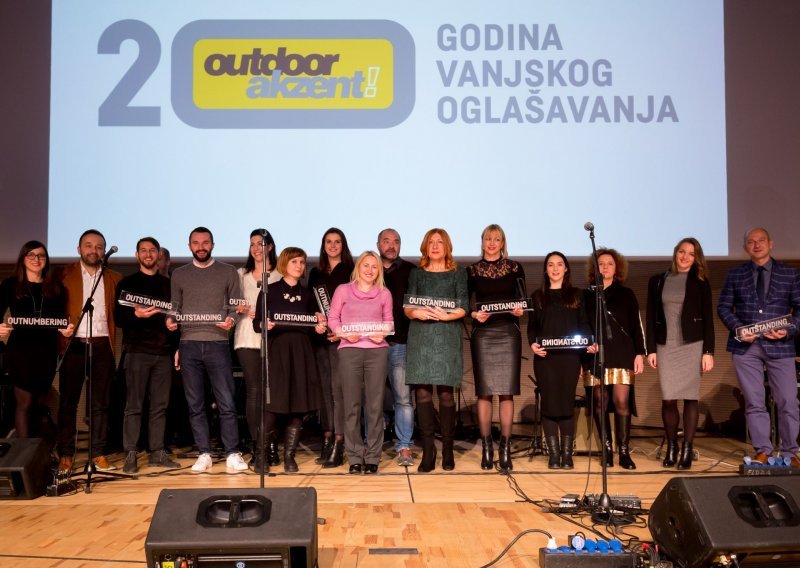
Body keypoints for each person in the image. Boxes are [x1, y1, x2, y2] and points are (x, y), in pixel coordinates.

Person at [166, 227, 247, 473]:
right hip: (189, 344)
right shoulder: (179, 274)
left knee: (226, 402)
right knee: (195, 404)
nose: (200, 247)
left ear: (212, 244)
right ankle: (204, 453)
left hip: (218, 344)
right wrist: (170, 320)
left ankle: (232, 452)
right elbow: (174, 307)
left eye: (205, 242)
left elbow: (235, 306)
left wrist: (231, 320)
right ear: (189, 246)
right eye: (196, 243)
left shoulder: (228, 271)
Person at [718, 227, 800, 468]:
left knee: (788, 401)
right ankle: (763, 450)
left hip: (781, 347)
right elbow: (723, 307)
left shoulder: (790, 273)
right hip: (746, 349)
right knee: (754, 401)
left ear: (770, 243)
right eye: (751, 242)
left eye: (761, 240)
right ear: (745, 247)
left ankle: (790, 452)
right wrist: (739, 329)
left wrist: (789, 330)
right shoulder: (735, 274)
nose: (756, 245)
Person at [253, 247, 327, 472]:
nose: (299, 266)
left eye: (302, 262)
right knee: (272, 405)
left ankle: (289, 457)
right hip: (278, 352)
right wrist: (264, 324)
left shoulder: (308, 293)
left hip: (302, 352)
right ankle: (260, 456)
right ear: (285, 263)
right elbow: (257, 323)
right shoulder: (270, 291)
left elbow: (316, 325)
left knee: (298, 405)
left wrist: (319, 326)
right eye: (294, 261)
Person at [57, 229, 122, 474]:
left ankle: (98, 454)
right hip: (73, 344)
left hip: (102, 344)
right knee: (68, 403)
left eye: (98, 247)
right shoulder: (63, 274)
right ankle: (66, 455)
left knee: (100, 404)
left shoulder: (115, 278)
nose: (93, 250)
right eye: (88, 245)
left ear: (104, 251)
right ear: (79, 249)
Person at [646, 237, 714, 470]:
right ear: (675, 253)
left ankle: (687, 449)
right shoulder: (657, 280)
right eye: (682, 252)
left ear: (697, 258)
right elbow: (650, 317)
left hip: (692, 344)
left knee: (690, 397)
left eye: (691, 254)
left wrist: (708, 351)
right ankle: (672, 446)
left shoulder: (700, 282)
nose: (685, 257)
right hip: (666, 345)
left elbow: (708, 319)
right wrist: (651, 349)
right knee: (668, 398)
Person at [404, 228, 468, 472]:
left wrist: (447, 316)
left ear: (447, 246)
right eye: (431, 242)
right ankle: (428, 451)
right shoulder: (416, 273)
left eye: (439, 242)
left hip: (447, 335)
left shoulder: (458, 273)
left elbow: (464, 305)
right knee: (422, 395)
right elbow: (407, 306)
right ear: (425, 246)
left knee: (446, 395)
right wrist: (415, 313)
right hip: (421, 336)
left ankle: (448, 449)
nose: (435, 246)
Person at [115, 237, 180, 474]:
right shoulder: (127, 283)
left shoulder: (169, 285)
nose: (148, 254)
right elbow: (118, 318)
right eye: (143, 250)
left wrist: (173, 326)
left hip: (163, 353)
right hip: (136, 352)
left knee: (160, 407)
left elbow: (176, 317)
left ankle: (157, 452)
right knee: (134, 406)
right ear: (137, 255)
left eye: (152, 250)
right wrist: (137, 316)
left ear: (159, 255)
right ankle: (131, 453)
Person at [528, 251, 596, 470]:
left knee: (566, 404)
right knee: (549, 405)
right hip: (545, 360)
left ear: (566, 268)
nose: (555, 268)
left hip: (570, 359)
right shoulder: (537, 296)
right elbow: (532, 327)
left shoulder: (576, 295)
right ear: (545, 269)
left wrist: (589, 343)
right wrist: (532, 344)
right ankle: (554, 455)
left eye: (559, 264)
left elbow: (584, 324)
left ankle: (567, 455)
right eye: (551, 265)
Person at [466, 224, 525, 472]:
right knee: (485, 392)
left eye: (496, 239)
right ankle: (487, 447)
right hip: (483, 335)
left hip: (508, 332)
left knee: (507, 393)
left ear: (503, 243)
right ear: (482, 242)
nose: (492, 243)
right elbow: (465, 304)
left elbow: (522, 299)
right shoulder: (472, 270)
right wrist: (473, 314)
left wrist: (520, 309)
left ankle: (505, 448)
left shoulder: (515, 267)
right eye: (488, 239)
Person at [328, 251, 393, 474]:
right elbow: (333, 319)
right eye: (366, 265)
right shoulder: (343, 290)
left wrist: (382, 333)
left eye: (374, 267)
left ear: (379, 270)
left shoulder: (384, 293)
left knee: (375, 406)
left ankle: (373, 456)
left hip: (377, 352)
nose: (369, 270)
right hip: (349, 351)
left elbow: (389, 322)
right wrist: (343, 333)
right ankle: (355, 457)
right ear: (358, 267)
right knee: (352, 406)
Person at [0, 241, 72, 439]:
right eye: (31, 255)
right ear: (23, 259)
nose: (36, 259)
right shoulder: (10, 285)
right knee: (25, 403)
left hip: (46, 352)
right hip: (20, 352)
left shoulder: (56, 288)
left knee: (39, 403)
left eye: (41, 255)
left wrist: (66, 331)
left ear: (46, 260)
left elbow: (61, 321)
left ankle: (35, 450)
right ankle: (25, 451)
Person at [583, 248, 645, 470]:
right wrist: (583, 351)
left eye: (610, 263)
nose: (605, 267)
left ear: (617, 267)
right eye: (601, 263)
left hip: (622, 352)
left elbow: (636, 325)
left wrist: (640, 353)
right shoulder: (586, 295)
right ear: (595, 268)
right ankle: (606, 450)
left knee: (621, 402)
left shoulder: (626, 293)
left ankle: (624, 452)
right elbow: (581, 325)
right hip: (594, 354)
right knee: (599, 402)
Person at [233, 229, 282, 472]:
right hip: (246, 338)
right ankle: (257, 445)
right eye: (252, 244)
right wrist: (238, 307)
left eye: (260, 243)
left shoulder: (280, 274)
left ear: (270, 246)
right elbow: (228, 303)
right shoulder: (240, 274)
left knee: (272, 393)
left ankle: (271, 443)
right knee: (254, 391)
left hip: (273, 340)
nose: (255, 248)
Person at [308, 228, 354, 468]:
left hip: (341, 338)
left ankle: (339, 441)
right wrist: (315, 316)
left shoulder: (351, 271)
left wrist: (341, 330)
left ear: (343, 245)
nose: (333, 246)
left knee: (338, 391)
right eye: (329, 241)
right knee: (324, 390)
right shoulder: (315, 272)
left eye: (337, 242)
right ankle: (327, 437)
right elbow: (309, 302)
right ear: (323, 245)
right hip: (320, 338)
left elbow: (355, 305)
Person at [377, 228, 416, 467]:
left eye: (396, 241)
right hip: (372, 344)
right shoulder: (368, 269)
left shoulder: (411, 270)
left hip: (400, 343)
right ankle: (371, 444)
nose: (391, 246)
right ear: (378, 244)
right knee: (371, 399)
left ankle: (404, 446)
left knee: (403, 398)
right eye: (386, 241)